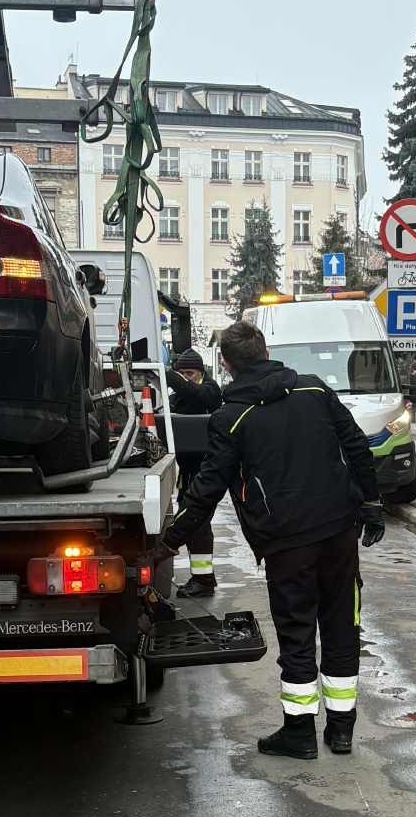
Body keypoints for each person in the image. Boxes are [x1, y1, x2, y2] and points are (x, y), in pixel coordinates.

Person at [161, 319, 386, 760]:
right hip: (339, 533)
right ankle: (341, 732)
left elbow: (207, 487)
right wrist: (371, 504)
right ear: (266, 351)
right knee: (342, 628)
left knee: (297, 635)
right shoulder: (314, 390)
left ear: (226, 364)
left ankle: (299, 734)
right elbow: (357, 446)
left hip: (286, 543)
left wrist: (171, 538)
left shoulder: (230, 417)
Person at [165, 348, 223, 597]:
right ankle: (202, 577)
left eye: (190, 373)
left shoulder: (210, 390)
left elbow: (196, 394)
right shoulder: (178, 397)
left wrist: (172, 376)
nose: (186, 378)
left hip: (206, 470)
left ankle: (203, 579)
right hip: (188, 472)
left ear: (201, 373)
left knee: (197, 523)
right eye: (182, 373)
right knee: (195, 523)